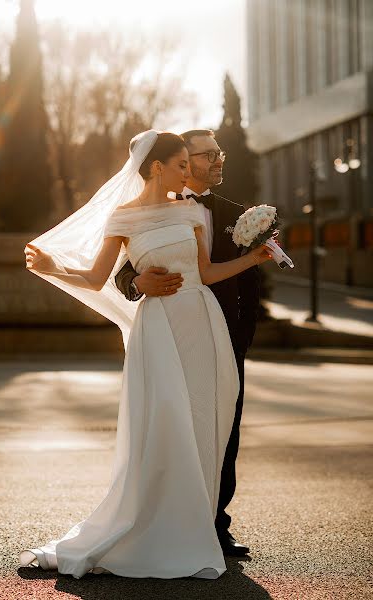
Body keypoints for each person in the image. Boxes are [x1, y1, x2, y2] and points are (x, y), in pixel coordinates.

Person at [21, 130, 271, 580]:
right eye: (181, 165)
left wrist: (253, 259)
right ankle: (154, 527)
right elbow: (99, 278)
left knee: (204, 419)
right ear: (158, 167)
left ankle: (200, 527)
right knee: (165, 422)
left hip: (203, 322)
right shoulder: (122, 218)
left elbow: (208, 272)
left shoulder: (190, 211)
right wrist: (53, 268)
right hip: (158, 330)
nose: (188, 172)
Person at [115, 129, 260, 556]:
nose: (218, 160)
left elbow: (249, 285)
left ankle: (217, 524)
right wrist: (137, 282)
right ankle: (167, 519)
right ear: (184, 160)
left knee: (223, 429)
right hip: (169, 330)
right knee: (171, 422)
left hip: (222, 336)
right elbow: (124, 269)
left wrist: (242, 339)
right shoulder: (147, 211)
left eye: (221, 152)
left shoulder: (238, 215)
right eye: (207, 154)